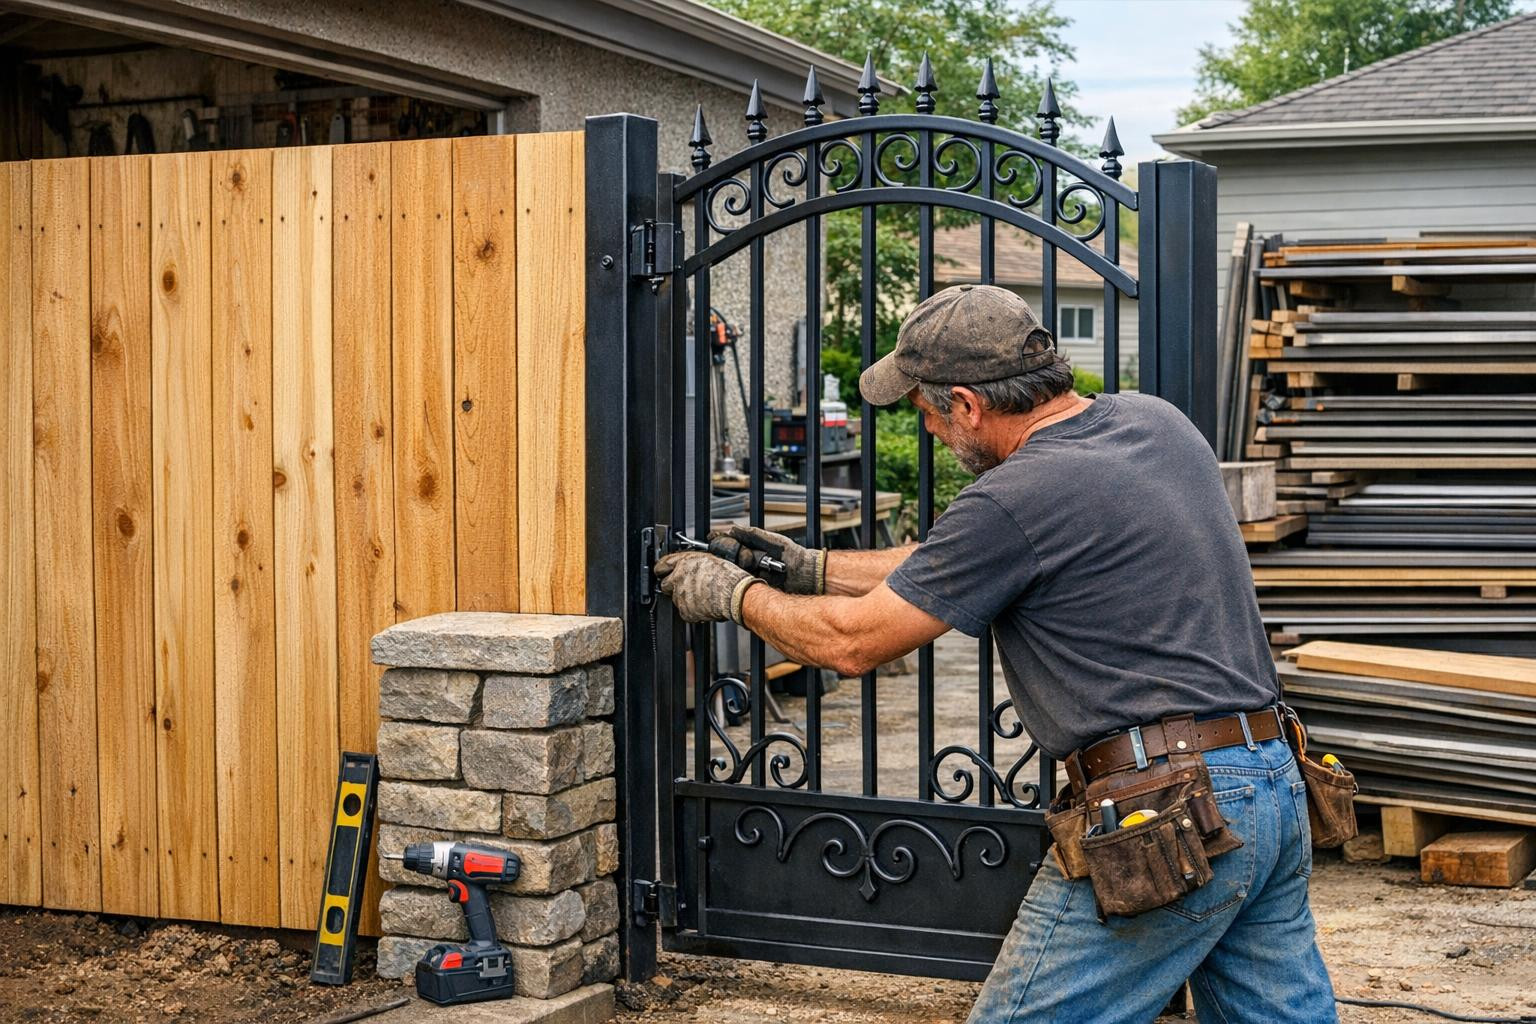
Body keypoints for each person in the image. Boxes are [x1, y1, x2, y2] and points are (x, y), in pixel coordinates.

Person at [655, 284, 1338, 1024]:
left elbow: (850, 643)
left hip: (1166, 807)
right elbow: (968, 561)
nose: (929, 430)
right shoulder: (1154, 422)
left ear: (967, 404)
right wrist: (810, 569)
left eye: (927, 412)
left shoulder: (1014, 497)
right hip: (1272, 778)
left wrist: (731, 595)